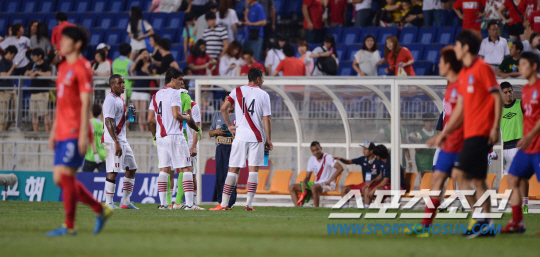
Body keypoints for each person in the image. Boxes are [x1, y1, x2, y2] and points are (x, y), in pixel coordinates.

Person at [433, 30, 502, 238]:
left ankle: (480, 220)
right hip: (468, 133)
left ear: (465, 47)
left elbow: (497, 96)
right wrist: (445, 133)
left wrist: (495, 128)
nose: (454, 49)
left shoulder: (483, 68)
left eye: (456, 45)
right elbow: (460, 108)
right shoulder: (463, 74)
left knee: (459, 174)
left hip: (480, 133)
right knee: (479, 181)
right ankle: (487, 224)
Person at [46, 26, 111, 237]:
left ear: (77, 44)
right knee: (59, 179)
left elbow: (86, 103)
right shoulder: (63, 67)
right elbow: (62, 103)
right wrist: (54, 130)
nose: (60, 43)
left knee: (65, 176)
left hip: (76, 130)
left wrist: (84, 133)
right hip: (63, 130)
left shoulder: (83, 68)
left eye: (65, 40)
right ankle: (99, 209)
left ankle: (69, 225)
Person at [408, 46, 463, 236]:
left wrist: (441, 136)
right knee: (437, 181)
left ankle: (482, 221)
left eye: (440, 61)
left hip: (462, 143)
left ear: (448, 64)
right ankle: (425, 226)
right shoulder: (450, 90)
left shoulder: (462, 87)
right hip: (449, 144)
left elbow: (463, 116)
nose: (437, 64)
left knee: (469, 183)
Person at [210, 67, 273, 211]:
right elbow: (267, 119)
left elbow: (223, 108)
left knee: (232, 169)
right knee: (253, 171)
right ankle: (249, 205)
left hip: (240, 136)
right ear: (258, 79)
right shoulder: (263, 95)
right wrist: (268, 139)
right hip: (256, 137)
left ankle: (224, 204)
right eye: (262, 78)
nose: (263, 81)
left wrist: (229, 126)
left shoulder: (236, 91)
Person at [148, 68, 203, 210]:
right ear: (172, 80)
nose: (181, 82)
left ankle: (163, 204)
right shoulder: (175, 94)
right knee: (187, 168)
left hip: (161, 137)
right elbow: (176, 115)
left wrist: (163, 121)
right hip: (175, 136)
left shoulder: (156, 95)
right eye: (180, 79)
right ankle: (190, 205)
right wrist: (187, 117)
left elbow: (149, 118)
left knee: (164, 169)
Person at [501, 51, 540, 233]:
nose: (520, 68)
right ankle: (518, 222)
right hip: (525, 147)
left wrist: (529, 134)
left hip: (536, 144)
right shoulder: (525, 90)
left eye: (524, 64)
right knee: (513, 178)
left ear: (533, 67)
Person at [102, 75, 139, 210]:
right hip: (113, 141)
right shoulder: (110, 100)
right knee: (113, 170)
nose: (123, 85)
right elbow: (108, 121)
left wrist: (131, 116)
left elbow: (120, 121)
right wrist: (115, 141)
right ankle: (108, 203)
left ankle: (125, 201)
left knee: (132, 168)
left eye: (123, 82)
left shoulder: (119, 99)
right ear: (112, 85)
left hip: (122, 139)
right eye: (120, 83)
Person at [500, 82, 529, 213]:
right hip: (504, 147)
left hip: (520, 145)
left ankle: (525, 203)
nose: (508, 94)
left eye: (510, 91)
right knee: (510, 178)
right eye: (505, 92)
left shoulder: (520, 104)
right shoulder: (498, 109)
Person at [173, 81, 203, 207]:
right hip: (177, 141)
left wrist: (193, 146)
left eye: (182, 87)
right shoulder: (174, 105)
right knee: (182, 171)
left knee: (191, 172)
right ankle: (178, 202)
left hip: (189, 142)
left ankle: (192, 202)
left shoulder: (193, 106)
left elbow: (198, 127)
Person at [289, 141, 343, 207]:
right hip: (317, 184)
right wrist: (304, 183)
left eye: (317, 149)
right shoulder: (311, 160)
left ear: (321, 148)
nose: (316, 152)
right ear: (311, 151)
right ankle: (298, 208)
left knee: (314, 187)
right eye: (313, 150)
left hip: (328, 185)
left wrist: (329, 181)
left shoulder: (328, 157)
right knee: (292, 187)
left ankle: (316, 209)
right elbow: (307, 177)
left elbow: (340, 168)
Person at [210, 94, 237, 208]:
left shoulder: (238, 116)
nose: (229, 104)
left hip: (233, 148)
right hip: (220, 148)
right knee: (220, 174)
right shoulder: (217, 115)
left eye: (231, 101)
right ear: (223, 103)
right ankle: (221, 201)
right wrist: (216, 131)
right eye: (227, 101)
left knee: (230, 174)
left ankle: (230, 202)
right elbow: (210, 133)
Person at [335, 141, 379, 208]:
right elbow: (349, 162)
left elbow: (382, 176)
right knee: (344, 189)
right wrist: (341, 159)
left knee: (366, 188)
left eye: (365, 149)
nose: (363, 151)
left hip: (375, 185)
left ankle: (366, 208)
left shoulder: (378, 160)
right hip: (364, 184)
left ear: (371, 151)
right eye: (363, 149)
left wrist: (372, 182)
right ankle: (346, 208)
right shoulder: (362, 159)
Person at [25, 48, 52, 132]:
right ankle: (35, 132)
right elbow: (25, 73)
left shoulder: (45, 65)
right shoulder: (33, 64)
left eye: (34, 56)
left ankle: (47, 132)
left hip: (42, 92)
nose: (32, 57)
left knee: (44, 114)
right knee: (33, 114)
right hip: (33, 92)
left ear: (40, 56)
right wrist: (29, 72)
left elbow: (48, 74)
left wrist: (37, 73)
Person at [130, 49, 153, 132]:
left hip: (145, 92)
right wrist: (138, 59)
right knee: (139, 114)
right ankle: (142, 131)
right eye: (143, 54)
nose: (145, 55)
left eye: (147, 53)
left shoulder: (151, 65)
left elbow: (153, 76)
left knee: (144, 114)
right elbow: (131, 69)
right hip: (136, 91)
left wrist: (148, 72)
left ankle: (148, 131)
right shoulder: (138, 65)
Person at [410, 113, 436, 178]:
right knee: (424, 181)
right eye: (427, 121)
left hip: (434, 160)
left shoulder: (437, 133)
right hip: (422, 161)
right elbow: (417, 149)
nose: (429, 123)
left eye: (431, 121)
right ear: (424, 122)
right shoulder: (418, 134)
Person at [83, 104, 106, 172]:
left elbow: (91, 139)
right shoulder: (102, 124)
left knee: (84, 178)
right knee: (105, 179)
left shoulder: (90, 123)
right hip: (102, 155)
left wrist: (95, 154)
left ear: (91, 112)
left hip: (91, 156)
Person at [0, 46, 18, 131]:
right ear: (9, 53)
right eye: (13, 55)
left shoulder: (10, 62)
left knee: (15, 112)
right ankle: (1, 131)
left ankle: (5, 129)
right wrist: (13, 67)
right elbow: (4, 77)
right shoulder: (2, 62)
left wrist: (14, 87)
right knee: (3, 113)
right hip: (4, 91)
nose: (13, 58)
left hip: (12, 90)